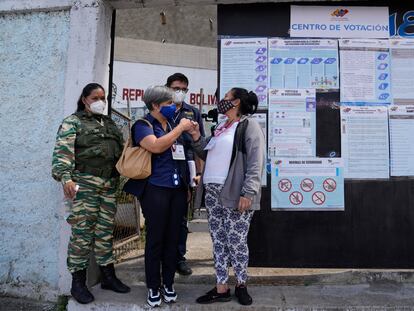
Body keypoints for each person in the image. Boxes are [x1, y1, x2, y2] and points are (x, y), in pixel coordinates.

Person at [52, 83, 130, 304]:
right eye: (95, 97)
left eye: (103, 98)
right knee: (83, 232)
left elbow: (121, 151)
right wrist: (66, 178)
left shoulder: (110, 123)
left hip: (109, 185)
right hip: (84, 184)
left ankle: (108, 276)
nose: (100, 101)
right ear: (85, 99)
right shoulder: (72, 122)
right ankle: (77, 282)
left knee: (105, 231)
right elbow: (62, 154)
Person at [188, 88, 265, 306]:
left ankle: (241, 284)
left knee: (237, 241)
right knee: (218, 240)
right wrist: (196, 136)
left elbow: (255, 161)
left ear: (236, 102)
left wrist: (248, 192)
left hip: (233, 191)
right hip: (212, 191)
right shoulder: (221, 126)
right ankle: (221, 287)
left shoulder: (249, 125)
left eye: (226, 98)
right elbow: (207, 151)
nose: (221, 101)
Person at [123, 86, 195, 307]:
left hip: (177, 189)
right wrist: (180, 129)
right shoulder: (143, 126)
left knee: (173, 239)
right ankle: (153, 287)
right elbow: (155, 146)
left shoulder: (173, 125)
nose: (174, 107)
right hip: (155, 189)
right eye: (169, 104)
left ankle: (169, 284)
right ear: (155, 106)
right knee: (156, 239)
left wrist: (189, 184)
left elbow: (184, 154)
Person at [166, 73, 205, 276]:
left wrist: (198, 174)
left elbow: (200, 147)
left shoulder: (193, 113)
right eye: (175, 88)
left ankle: (179, 258)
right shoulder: (160, 109)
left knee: (181, 218)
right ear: (167, 88)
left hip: (184, 170)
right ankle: (162, 257)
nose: (179, 92)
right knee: (161, 218)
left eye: (183, 89)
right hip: (162, 170)